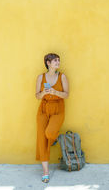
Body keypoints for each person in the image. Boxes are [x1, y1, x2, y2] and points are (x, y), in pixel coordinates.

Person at [35, 53, 69, 183]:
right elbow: (37, 96)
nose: (58, 62)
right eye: (55, 60)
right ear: (48, 63)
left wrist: (55, 92)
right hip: (43, 109)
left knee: (49, 132)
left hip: (58, 109)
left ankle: (53, 138)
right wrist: (44, 92)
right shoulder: (41, 77)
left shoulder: (62, 77)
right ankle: (45, 172)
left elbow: (66, 94)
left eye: (58, 60)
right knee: (42, 139)